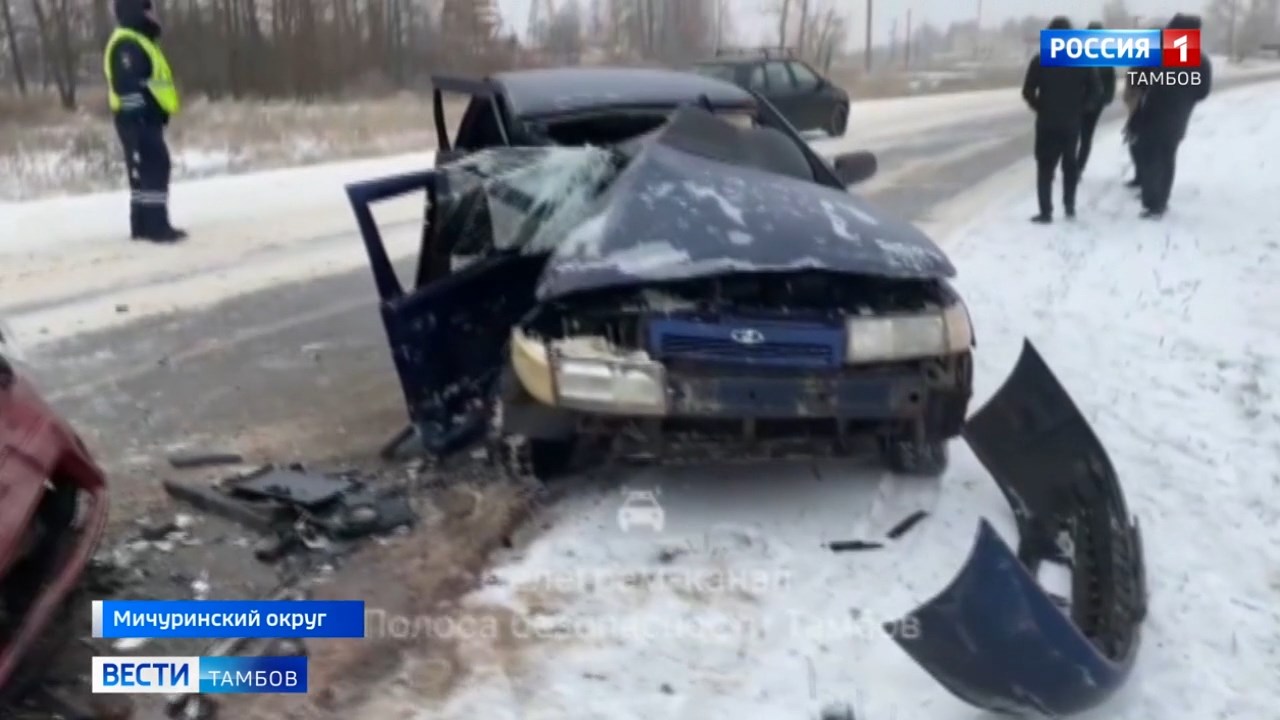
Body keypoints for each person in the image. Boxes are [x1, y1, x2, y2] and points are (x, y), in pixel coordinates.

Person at [103, 0, 187, 242]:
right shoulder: (127, 43)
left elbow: (151, 82)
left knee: (145, 170)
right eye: (146, 9)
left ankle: (142, 226)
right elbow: (127, 84)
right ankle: (156, 227)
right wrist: (138, 118)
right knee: (154, 167)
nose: (152, 14)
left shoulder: (140, 40)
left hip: (146, 118)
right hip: (137, 120)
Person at [1129, 13, 1213, 218]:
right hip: (1179, 117)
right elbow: (1203, 92)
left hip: (1152, 113)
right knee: (1167, 156)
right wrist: (1185, 99)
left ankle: (1152, 202)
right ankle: (1160, 201)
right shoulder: (1201, 60)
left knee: (1149, 155)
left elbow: (1137, 78)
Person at [1021, 16, 1102, 223]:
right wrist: (1082, 108)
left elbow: (1027, 91)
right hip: (1071, 123)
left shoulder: (1040, 60)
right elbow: (1096, 91)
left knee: (1045, 167)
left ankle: (1046, 212)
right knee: (1069, 166)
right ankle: (1069, 206)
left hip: (1047, 122)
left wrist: (1040, 107)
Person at [1076, 21, 1117, 175]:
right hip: (1092, 102)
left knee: (1079, 135)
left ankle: (1076, 167)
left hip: (1084, 102)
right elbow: (1110, 79)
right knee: (1085, 135)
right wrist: (1106, 97)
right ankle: (1078, 167)